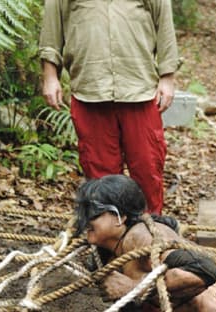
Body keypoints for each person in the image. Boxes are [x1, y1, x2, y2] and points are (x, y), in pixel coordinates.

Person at [39, 0, 179, 215]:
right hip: (90, 90)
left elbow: (165, 27)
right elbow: (51, 30)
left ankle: (151, 236)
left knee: (147, 168)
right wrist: (50, 76)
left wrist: (167, 77)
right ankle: (108, 241)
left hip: (139, 89)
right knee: (100, 176)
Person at [74, 175, 216, 311]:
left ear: (120, 217)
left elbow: (203, 269)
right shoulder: (107, 252)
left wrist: (133, 287)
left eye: (94, 214)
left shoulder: (140, 236)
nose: (86, 221)